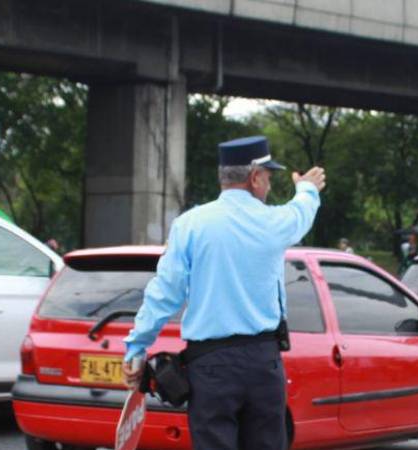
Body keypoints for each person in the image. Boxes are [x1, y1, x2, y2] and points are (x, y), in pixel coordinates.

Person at [122, 135, 326, 450]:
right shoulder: (273, 222)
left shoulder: (190, 225)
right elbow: (301, 213)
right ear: (255, 177)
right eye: (268, 178)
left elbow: (164, 293)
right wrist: (307, 188)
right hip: (263, 363)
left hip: (210, 367)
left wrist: (137, 349)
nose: (269, 187)